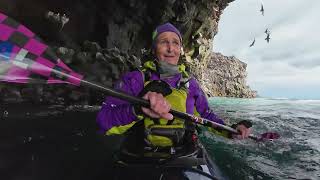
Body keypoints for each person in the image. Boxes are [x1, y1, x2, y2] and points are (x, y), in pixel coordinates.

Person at [96, 23, 252, 148]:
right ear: (154, 49)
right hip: (142, 155)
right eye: (164, 42)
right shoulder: (136, 79)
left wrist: (231, 131)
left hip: (183, 155)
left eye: (175, 43)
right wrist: (138, 109)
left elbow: (206, 116)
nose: (170, 48)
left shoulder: (190, 84)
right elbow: (104, 122)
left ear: (180, 49)